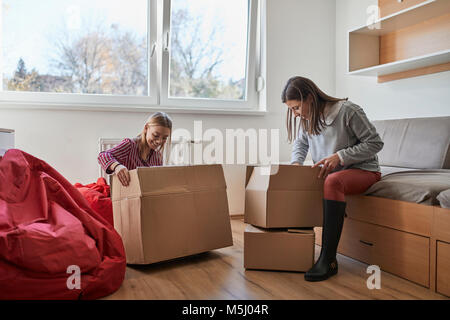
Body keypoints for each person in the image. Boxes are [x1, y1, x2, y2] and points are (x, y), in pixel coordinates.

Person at [281, 76, 384, 282]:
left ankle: (328, 259)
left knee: (332, 181)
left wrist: (341, 156)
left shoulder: (348, 111)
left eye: (296, 107)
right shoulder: (307, 119)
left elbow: (375, 143)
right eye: (291, 109)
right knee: (299, 180)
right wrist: (295, 165)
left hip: (364, 170)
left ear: (310, 98)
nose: (295, 113)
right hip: (335, 174)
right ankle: (293, 248)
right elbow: (301, 145)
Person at [98, 112, 172, 187]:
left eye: (164, 138)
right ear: (146, 128)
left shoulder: (157, 157)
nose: (159, 141)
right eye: (156, 135)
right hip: (126, 195)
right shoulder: (130, 146)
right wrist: (117, 166)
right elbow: (103, 156)